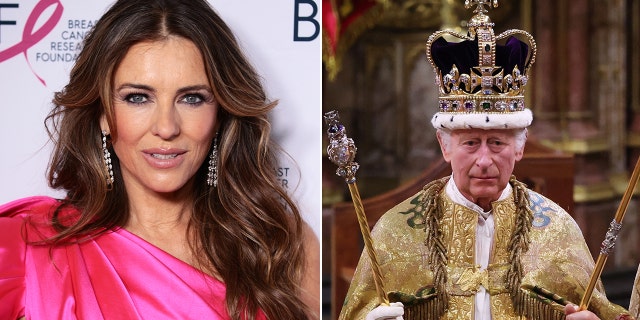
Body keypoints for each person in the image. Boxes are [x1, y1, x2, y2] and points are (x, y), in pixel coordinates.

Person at [0, 0, 319, 319]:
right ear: (102, 115)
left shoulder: (281, 245)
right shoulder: (26, 249)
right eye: (137, 98)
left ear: (220, 113)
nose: (166, 128)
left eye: (192, 98)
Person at [338, 2, 630, 320]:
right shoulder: (396, 230)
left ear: (520, 148)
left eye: (497, 143)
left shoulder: (557, 229)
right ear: (444, 146)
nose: (484, 160)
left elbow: (601, 311)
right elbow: (358, 311)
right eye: (471, 143)